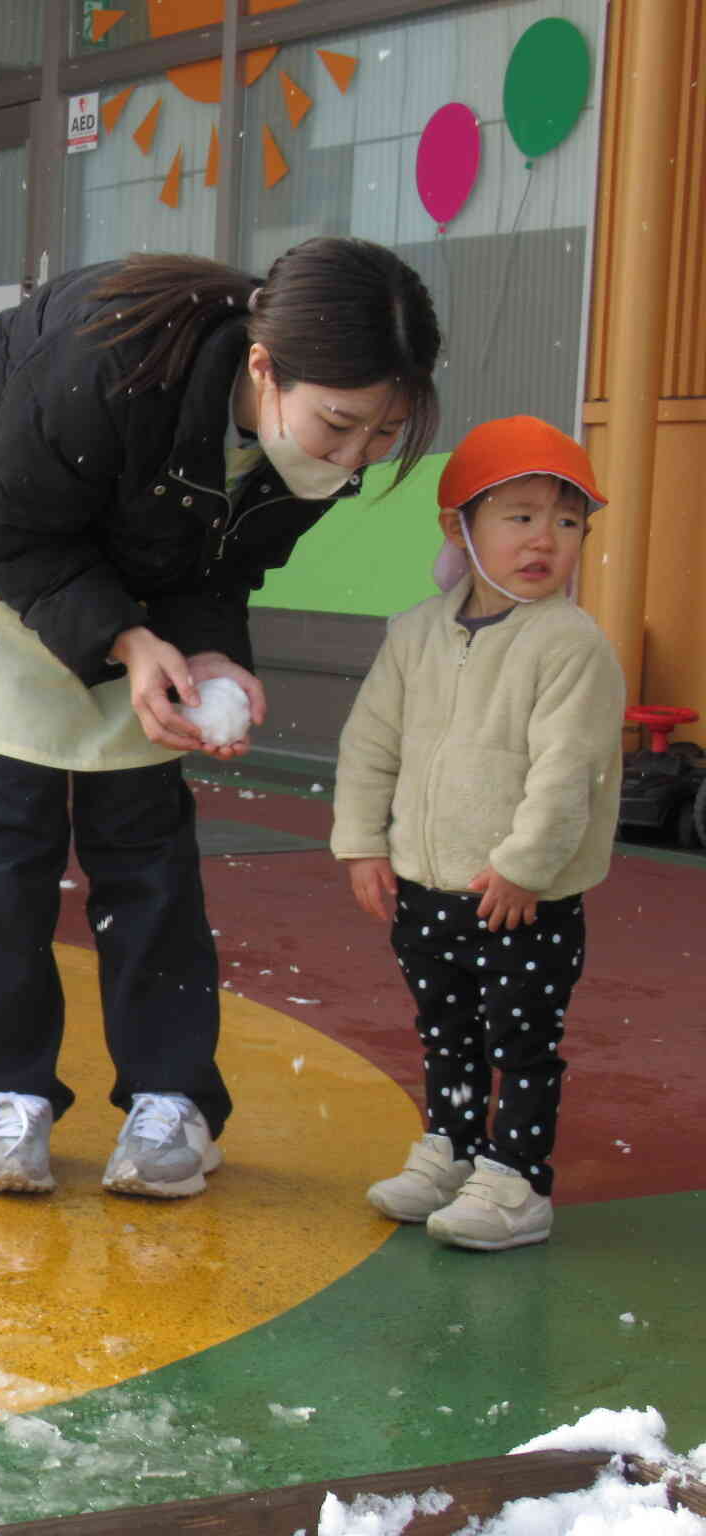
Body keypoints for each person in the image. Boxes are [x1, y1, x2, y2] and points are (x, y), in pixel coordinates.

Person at [0, 238, 441, 1200]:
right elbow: (17, 533)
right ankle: (8, 1092)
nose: (356, 458)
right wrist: (124, 641)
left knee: (144, 850)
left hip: (126, 580)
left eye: (385, 434)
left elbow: (226, 563)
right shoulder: (106, 364)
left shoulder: (307, 449)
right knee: (4, 841)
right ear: (264, 366)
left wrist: (208, 647)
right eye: (340, 425)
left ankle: (170, 1097)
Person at [333, 416, 623, 1252]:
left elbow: (567, 774)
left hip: (522, 900)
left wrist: (526, 867)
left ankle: (517, 1179)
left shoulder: (572, 646)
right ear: (459, 526)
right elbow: (371, 742)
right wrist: (361, 841)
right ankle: (454, 1149)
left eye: (568, 522)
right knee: (446, 1028)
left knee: (522, 1040)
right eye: (520, 516)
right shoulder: (415, 634)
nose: (546, 540)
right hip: (424, 886)